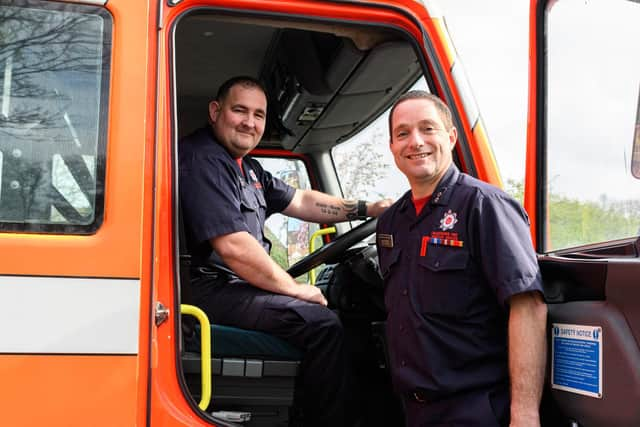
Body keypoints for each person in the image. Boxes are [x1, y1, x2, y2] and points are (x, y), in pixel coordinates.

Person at [179, 75, 391, 426]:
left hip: (231, 287)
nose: (250, 122)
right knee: (322, 324)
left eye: (259, 115)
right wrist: (292, 289)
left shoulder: (248, 168)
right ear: (216, 111)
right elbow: (234, 246)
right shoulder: (202, 160)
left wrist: (369, 209)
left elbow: (304, 200)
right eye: (240, 110)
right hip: (209, 291)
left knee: (325, 315)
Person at [376, 91, 547, 427]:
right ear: (392, 147)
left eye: (428, 129)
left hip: (475, 408)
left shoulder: (484, 206)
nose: (416, 142)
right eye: (403, 133)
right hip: (415, 410)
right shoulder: (391, 222)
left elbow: (528, 306)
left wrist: (525, 415)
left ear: (451, 137)